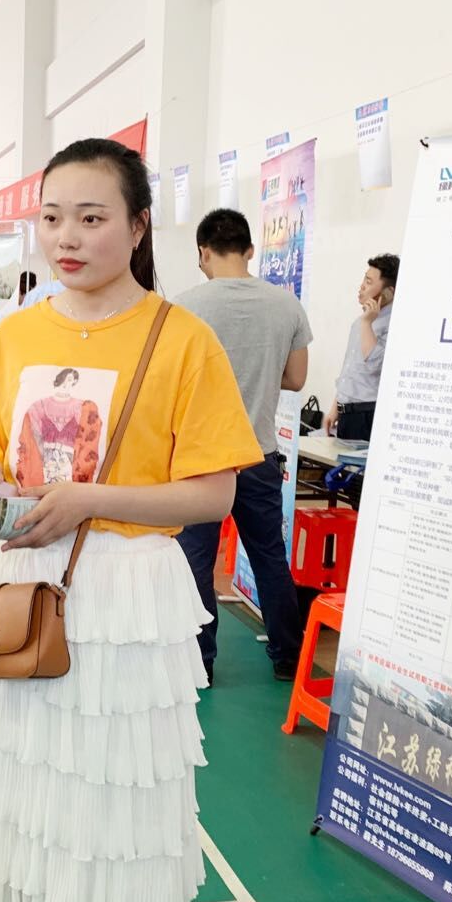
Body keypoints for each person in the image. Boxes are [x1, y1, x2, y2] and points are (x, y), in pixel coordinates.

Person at [0, 137, 259, 902]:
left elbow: (214, 493)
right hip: (23, 584)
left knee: (120, 812)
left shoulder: (181, 339)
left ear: (138, 225)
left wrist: (91, 498)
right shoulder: (15, 336)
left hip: (127, 601)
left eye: (91, 218)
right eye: (52, 218)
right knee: (24, 809)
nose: (67, 237)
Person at [175, 208, 311, 684]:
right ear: (251, 250)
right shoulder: (286, 305)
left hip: (201, 459)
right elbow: (297, 378)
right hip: (258, 453)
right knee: (269, 556)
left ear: (202, 253)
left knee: (196, 561)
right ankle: (288, 656)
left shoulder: (183, 308)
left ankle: (201, 662)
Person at [324, 253, 398, 441]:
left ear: (388, 292)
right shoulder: (360, 321)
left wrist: (367, 323)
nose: (362, 286)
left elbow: (374, 365)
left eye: (369, 282)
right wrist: (335, 407)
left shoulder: (394, 324)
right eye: (364, 279)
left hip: (368, 414)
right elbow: (350, 369)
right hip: (347, 413)